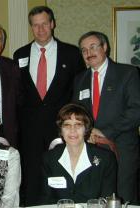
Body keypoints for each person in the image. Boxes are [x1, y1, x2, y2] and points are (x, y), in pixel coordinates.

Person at [13, 6, 86, 206]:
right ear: (31, 28)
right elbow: (18, 93)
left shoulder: (71, 53)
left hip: (62, 128)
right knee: (32, 177)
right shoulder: (20, 55)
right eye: (35, 25)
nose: (41, 29)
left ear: (52, 24)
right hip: (29, 131)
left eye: (44, 23)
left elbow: (78, 92)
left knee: (62, 173)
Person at [72, 31, 140, 204]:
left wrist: (104, 132)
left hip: (122, 149)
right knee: (95, 197)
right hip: (91, 149)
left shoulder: (128, 73)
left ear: (105, 47)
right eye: (84, 50)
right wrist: (86, 133)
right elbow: (76, 112)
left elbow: (136, 111)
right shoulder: (79, 79)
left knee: (123, 197)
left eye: (93, 47)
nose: (89, 53)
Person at [40, 103, 117, 205]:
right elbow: (46, 200)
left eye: (78, 125)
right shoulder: (49, 159)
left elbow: (107, 202)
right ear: (61, 130)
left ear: (86, 129)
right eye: (67, 125)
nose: (73, 130)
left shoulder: (106, 159)